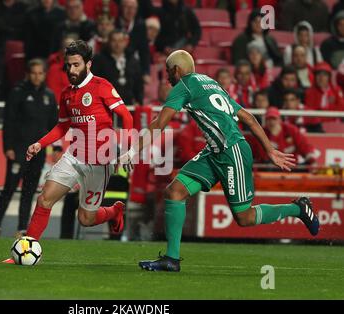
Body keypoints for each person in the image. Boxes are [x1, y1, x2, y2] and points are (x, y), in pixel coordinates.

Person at [119, 50, 319, 272]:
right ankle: (171, 259)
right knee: (174, 192)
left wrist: (131, 151)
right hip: (214, 151)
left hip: (231, 151)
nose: (167, 77)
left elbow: (158, 124)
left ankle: (297, 208)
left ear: (176, 70)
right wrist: (269, 149)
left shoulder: (184, 85)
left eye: (168, 72)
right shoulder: (211, 83)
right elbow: (249, 118)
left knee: (244, 217)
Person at [2, 40, 134, 263]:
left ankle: (114, 211)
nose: (71, 70)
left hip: (100, 162)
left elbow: (127, 117)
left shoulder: (102, 86)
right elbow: (62, 126)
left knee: (85, 219)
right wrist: (39, 144)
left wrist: (129, 151)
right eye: (68, 65)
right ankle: (24, 253)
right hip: (74, 156)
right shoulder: (66, 94)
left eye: (76, 65)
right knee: (44, 199)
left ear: (88, 64)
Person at [0, 59, 58, 237]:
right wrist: (8, 147)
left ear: (44, 74)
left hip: (39, 152)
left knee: (29, 191)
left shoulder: (49, 96)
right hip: (19, 150)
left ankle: (21, 228)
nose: (37, 77)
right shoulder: (17, 93)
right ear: (28, 74)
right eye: (34, 73)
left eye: (40, 73)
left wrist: (54, 147)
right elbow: (9, 122)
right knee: (9, 189)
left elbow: (54, 126)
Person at [248, 107, 318, 167]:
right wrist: (272, 136)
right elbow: (261, 156)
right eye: (269, 119)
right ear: (265, 121)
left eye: (274, 119)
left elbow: (304, 146)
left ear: (279, 120)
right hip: (270, 167)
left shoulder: (291, 130)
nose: (272, 122)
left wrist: (312, 161)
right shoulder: (261, 133)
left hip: (291, 167)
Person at [92, 29, 144, 105]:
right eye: (114, 41)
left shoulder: (133, 60)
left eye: (120, 41)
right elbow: (95, 83)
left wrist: (139, 101)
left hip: (129, 105)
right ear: (109, 42)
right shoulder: (99, 60)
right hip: (106, 104)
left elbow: (139, 83)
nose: (117, 44)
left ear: (125, 42)